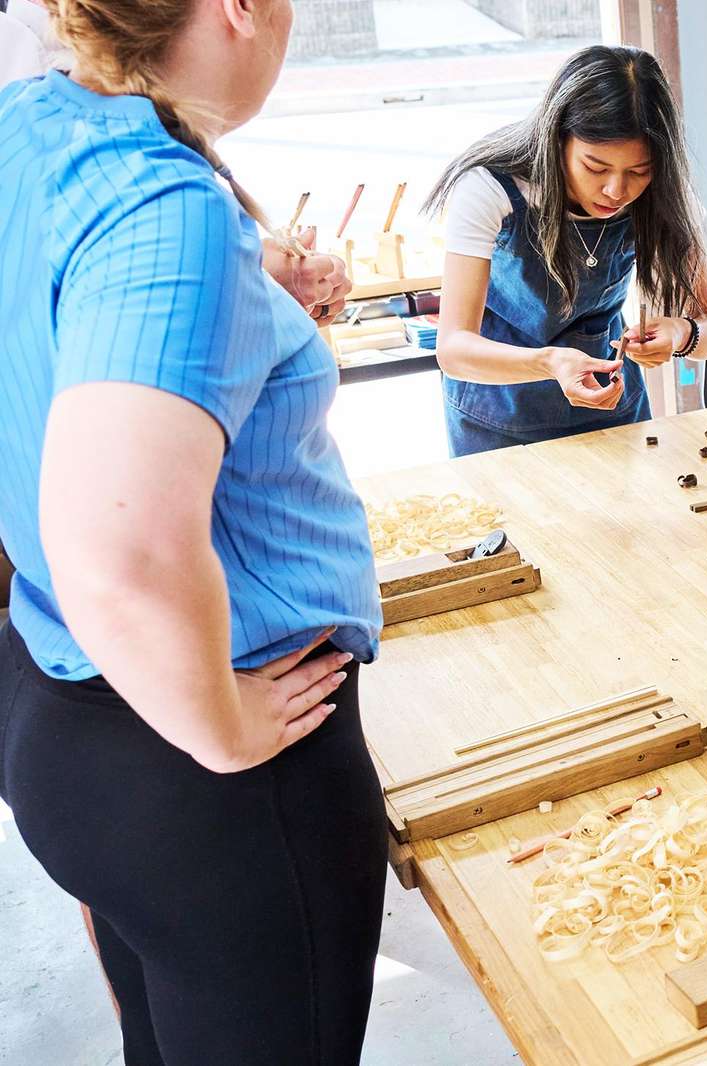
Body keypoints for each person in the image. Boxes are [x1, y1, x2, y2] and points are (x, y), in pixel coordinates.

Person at [0, 0, 388, 1061]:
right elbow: (121, 557)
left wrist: (251, 296)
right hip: (208, 778)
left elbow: (59, 316)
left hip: (61, 710)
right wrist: (222, 728)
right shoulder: (164, 204)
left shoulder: (31, 122)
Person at [423, 45, 707, 456]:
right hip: (496, 416)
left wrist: (680, 334)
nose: (616, 191)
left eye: (639, 171)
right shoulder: (490, 188)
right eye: (595, 168)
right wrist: (550, 363)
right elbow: (454, 348)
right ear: (557, 138)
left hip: (613, 410)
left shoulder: (668, 196)